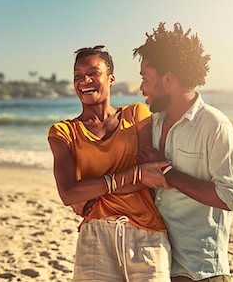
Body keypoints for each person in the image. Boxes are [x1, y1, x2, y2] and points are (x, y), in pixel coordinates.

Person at [133, 23, 233, 282]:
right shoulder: (153, 124)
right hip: (159, 265)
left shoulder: (214, 125)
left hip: (201, 270)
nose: (142, 88)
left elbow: (231, 196)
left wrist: (168, 172)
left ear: (168, 79)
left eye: (145, 78)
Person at [48, 45, 171, 282]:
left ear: (111, 78)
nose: (85, 80)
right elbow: (68, 193)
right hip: (95, 238)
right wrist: (134, 173)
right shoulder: (63, 132)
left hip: (146, 235)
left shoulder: (137, 114)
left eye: (93, 73)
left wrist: (93, 188)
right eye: (78, 76)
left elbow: (150, 176)